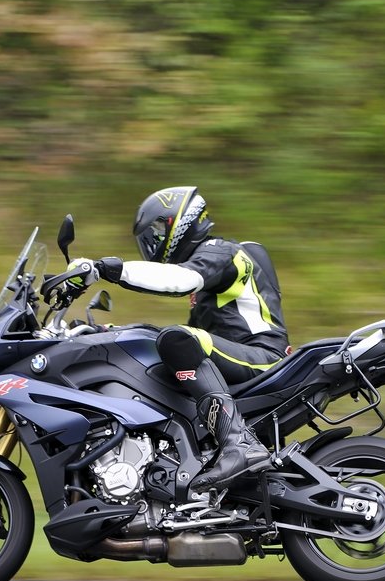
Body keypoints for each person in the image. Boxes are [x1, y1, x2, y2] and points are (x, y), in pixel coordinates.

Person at [67, 186, 289, 492]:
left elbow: (180, 280)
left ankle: (239, 444)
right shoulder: (207, 275)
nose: (153, 241)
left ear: (182, 222)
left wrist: (110, 269)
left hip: (262, 353)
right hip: (239, 354)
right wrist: (110, 332)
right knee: (163, 346)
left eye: (158, 230)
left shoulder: (221, 252)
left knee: (176, 339)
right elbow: (168, 336)